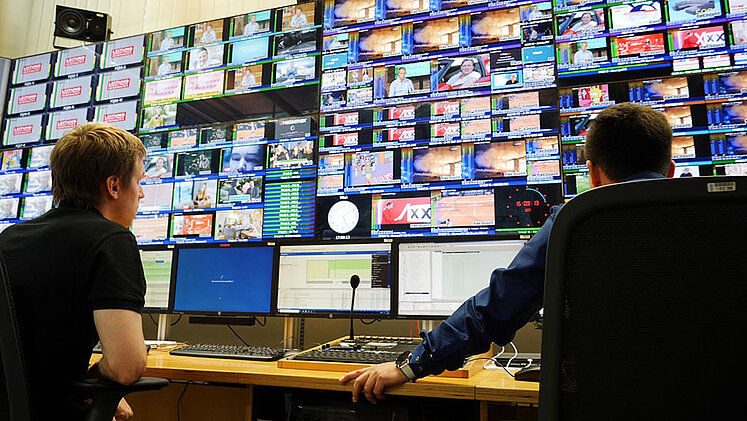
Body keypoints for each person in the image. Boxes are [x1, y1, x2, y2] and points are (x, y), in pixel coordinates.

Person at [340, 103, 676, 404]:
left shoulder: (578, 223)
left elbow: (495, 308)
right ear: (671, 170)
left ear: (593, 174)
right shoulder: (721, 217)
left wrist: (410, 365)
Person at [0, 123, 148, 420]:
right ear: (114, 186)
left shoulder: (9, 238)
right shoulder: (111, 240)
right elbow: (126, 366)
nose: (142, 194)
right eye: (139, 181)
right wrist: (92, 383)